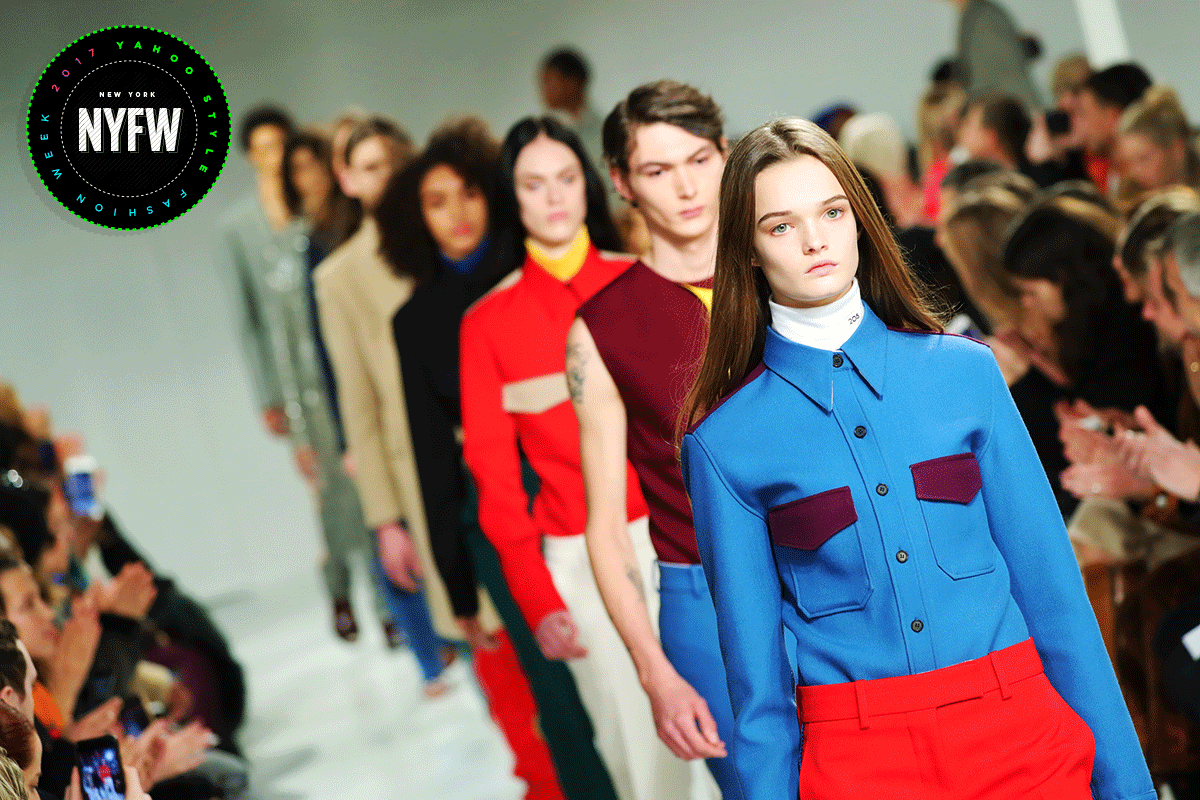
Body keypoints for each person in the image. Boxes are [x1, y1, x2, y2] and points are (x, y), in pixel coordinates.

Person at [678, 115, 1153, 800]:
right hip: (860, 763)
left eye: (832, 212)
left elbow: (1058, 605)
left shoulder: (966, 376)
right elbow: (758, 693)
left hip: (1022, 732)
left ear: (860, 219)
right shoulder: (725, 444)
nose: (815, 240)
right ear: (747, 251)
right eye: (780, 226)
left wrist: (1127, 787)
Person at [377, 117, 614, 800]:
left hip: (588, 479)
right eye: (436, 201)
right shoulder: (415, 321)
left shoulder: (540, 266)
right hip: (497, 513)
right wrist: (455, 588)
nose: (456, 214)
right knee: (558, 688)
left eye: (469, 192)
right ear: (414, 218)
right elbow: (431, 457)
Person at [461, 116, 696, 800]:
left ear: (590, 186)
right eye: (534, 185)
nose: (554, 198)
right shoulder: (486, 326)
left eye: (566, 179)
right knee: (634, 748)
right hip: (580, 564)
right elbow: (496, 486)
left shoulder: (649, 280)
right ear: (513, 197)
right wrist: (536, 599)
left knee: (728, 729)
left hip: (684, 538)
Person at [568, 79, 738, 798]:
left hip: (836, 578)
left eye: (699, 160)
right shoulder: (602, 330)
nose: (686, 189)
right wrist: (653, 669)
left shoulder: (788, 270)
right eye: (657, 171)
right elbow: (604, 525)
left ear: (728, 155)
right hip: (706, 596)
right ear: (622, 183)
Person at [219, 106, 392, 645]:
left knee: (357, 479)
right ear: (250, 156)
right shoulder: (239, 227)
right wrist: (268, 395)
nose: (273, 159)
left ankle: (381, 602)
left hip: (333, 356)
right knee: (329, 488)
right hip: (293, 378)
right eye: (263, 149)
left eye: (281, 148)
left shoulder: (310, 216)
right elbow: (247, 320)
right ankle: (344, 589)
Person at [315, 116, 473, 692]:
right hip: (421, 475)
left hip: (491, 451)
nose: (384, 180)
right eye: (368, 168)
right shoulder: (341, 277)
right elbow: (357, 404)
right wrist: (385, 521)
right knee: (475, 629)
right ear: (347, 181)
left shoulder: (457, 239)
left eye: (393, 164)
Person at [1073, 63, 1153, 198]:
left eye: (1082, 114)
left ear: (1112, 117)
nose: (1076, 124)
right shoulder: (1111, 176)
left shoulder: (1149, 183)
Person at [950, 0, 1042, 112]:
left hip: (1009, 111)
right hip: (1006, 111)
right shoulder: (974, 15)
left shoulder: (981, 16)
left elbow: (1006, 71)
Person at [1116, 87, 1200, 204]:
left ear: (1177, 148)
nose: (1135, 172)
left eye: (1143, 158)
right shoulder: (1127, 197)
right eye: (1130, 161)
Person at [538, 48, 605, 177]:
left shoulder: (603, 129)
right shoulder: (544, 133)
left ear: (572, 81)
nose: (543, 89)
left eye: (548, 80)